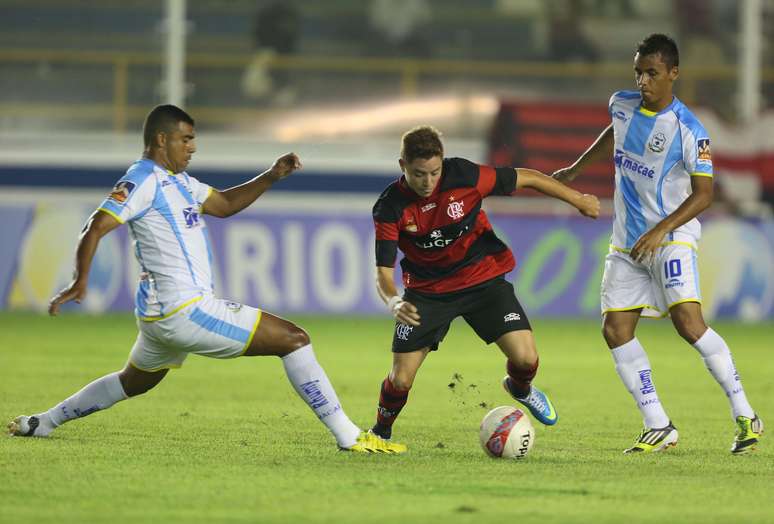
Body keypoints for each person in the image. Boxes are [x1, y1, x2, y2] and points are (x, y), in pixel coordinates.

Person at [7, 104, 406, 454]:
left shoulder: (180, 182)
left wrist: (271, 175)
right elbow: (96, 224)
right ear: (161, 140)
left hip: (160, 315)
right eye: (186, 139)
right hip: (185, 308)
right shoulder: (143, 179)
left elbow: (226, 204)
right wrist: (81, 279)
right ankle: (349, 436)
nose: (193, 147)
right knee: (294, 340)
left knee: (134, 381)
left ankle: (44, 421)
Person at [552, 34, 763, 454]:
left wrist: (661, 230)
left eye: (651, 73)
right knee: (615, 329)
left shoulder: (690, 131)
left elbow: (704, 194)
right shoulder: (621, 103)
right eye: (638, 72)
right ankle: (658, 424)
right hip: (628, 241)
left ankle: (745, 413)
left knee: (688, 322)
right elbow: (613, 134)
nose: (643, 81)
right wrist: (576, 169)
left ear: (673, 74)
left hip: (671, 237)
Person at [369, 125, 600, 442]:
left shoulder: (464, 175)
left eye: (434, 172)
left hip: (482, 279)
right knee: (400, 379)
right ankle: (379, 433)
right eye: (419, 174)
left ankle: (519, 388)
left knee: (526, 359)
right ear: (402, 166)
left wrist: (578, 200)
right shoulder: (390, 206)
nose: (428, 182)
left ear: (443, 163)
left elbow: (528, 177)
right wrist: (394, 301)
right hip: (428, 294)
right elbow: (383, 273)